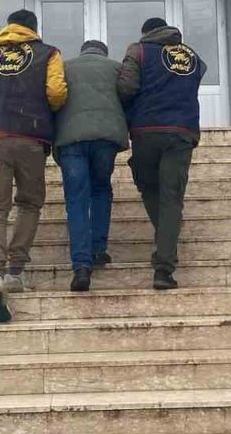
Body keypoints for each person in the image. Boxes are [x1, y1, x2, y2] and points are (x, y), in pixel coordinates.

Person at [0, 9, 67, 323]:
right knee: (29, 203)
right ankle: (15, 270)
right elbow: (56, 93)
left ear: (9, 27)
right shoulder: (48, 54)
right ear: (34, 28)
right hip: (31, 136)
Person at [117, 17, 206, 290]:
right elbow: (196, 78)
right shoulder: (192, 56)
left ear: (146, 33)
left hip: (147, 129)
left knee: (149, 187)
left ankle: (166, 242)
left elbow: (126, 88)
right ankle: (164, 268)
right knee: (171, 197)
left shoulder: (139, 50)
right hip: (181, 131)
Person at [53, 40, 129, 292]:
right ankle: (98, 250)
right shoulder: (116, 68)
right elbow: (129, 95)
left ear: (82, 52)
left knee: (76, 198)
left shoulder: (66, 67)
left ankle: (81, 266)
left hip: (71, 139)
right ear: (104, 53)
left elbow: (54, 96)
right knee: (100, 189)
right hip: (106, 139)